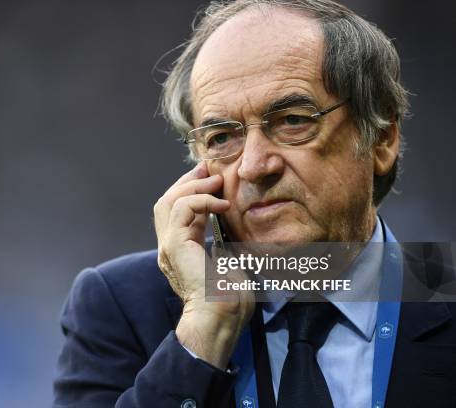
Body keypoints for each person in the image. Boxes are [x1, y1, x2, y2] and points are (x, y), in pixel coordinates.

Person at [53, 1, 456, 407]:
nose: (253, 166)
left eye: (293, 120)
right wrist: (201, 334)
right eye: (221, 138)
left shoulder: (445, 286)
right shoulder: (121, 306)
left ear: (382, 137)